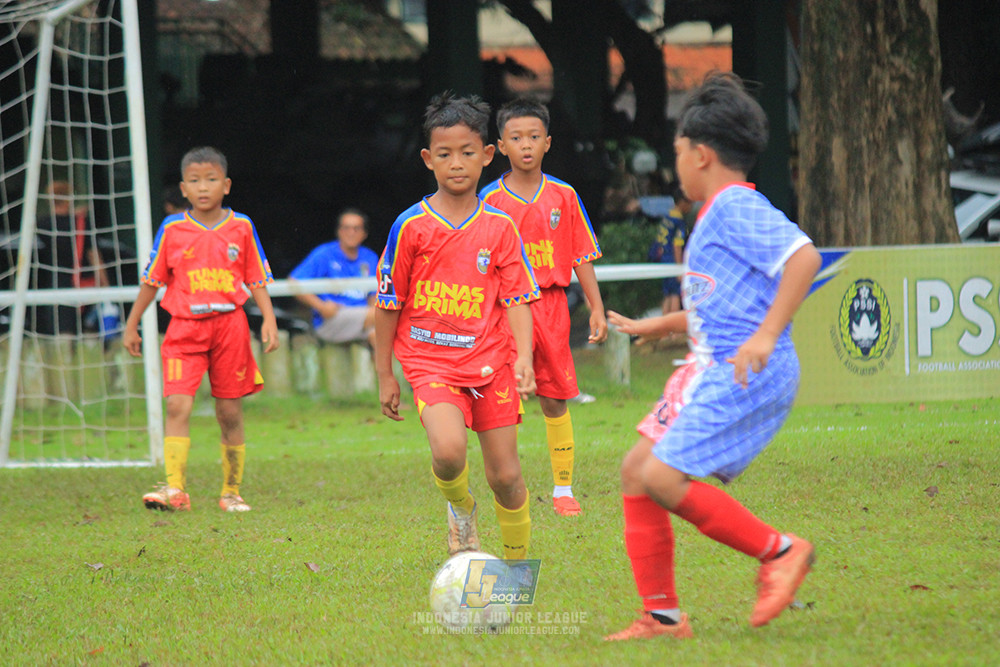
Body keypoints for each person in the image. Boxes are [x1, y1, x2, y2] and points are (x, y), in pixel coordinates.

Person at [602, 72, 822, 641]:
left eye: (676, 153)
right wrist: (660, 325)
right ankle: (663, 616)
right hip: (711, 364)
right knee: (636, 472)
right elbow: (719, 305)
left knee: (661, 476)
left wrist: (767, 336)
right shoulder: (715, 214)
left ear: (700, 155)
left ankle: (780, 551)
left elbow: (804, 258)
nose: (675, 164)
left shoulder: (731, 208)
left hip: (741, 368)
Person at [375, 93, 540, 560]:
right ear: (428, 160)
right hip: (430, 363)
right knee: (448, 452)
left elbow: (517, 300)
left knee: (506, 477)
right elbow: (387, 304)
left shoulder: (501, 228)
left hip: (491, 364)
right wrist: (386, 373)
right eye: (444, 154)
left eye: (468, 152)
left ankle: (516, 571)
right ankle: (462, 511)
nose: (457, 163)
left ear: (488, 155)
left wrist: (524, 357)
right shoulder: (410, 226)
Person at [122, 146, 279, 513]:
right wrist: (132, 324)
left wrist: (268, 318)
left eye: (210, 180)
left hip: (230, 328)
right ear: (183, 188)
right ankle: (175, 489)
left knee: (229, 413)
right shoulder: (172, 229)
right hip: (184, 329)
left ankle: (231, 492)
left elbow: (256, 278)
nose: (203, 187)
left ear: (225, 185)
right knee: (177, 403)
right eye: (194, 181)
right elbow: (152, 280)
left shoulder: (241, 226)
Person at [480, 97, 607, 517]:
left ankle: (563, 489)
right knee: (504, 399)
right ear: (501, 146)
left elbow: (582, 255)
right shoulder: (488, 200)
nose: (526, 145)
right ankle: (508, 484)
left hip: (551, 307)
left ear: (548, 143)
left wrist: (597, 307)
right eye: (516, 138)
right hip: (503, 311)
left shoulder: (564, 196)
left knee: (554, 399)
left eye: (534, 136)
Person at [288, 208, 379, 348]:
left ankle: (384, 370)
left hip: (365, 317)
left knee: (377, 333)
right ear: (339, 231)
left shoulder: (370, 257)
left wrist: (373, 310)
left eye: (356, 228)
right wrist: (321, 306)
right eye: (346, 228)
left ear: (364, 233)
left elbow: (374, 294)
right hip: (332, 318)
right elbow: (293, 282)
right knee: (386, 317)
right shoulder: (324, 254)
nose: (351, 232)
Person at [30, 180, 110, 336]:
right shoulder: (80, 223)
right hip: (83, 282)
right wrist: (105, 284)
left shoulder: (42, 225)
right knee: (89, 332)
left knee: (62, 335)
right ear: (68, 199)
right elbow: (94, 255)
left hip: (55, 284)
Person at [647, 182, 690, 316]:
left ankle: (664, 326)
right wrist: (679, 268)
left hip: (663, 258)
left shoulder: (667, 217)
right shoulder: (679, 223)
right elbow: (677, 246)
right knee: (676, 294)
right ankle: (673, 332)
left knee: (667, 294)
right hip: (672, 259)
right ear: (683, 203)